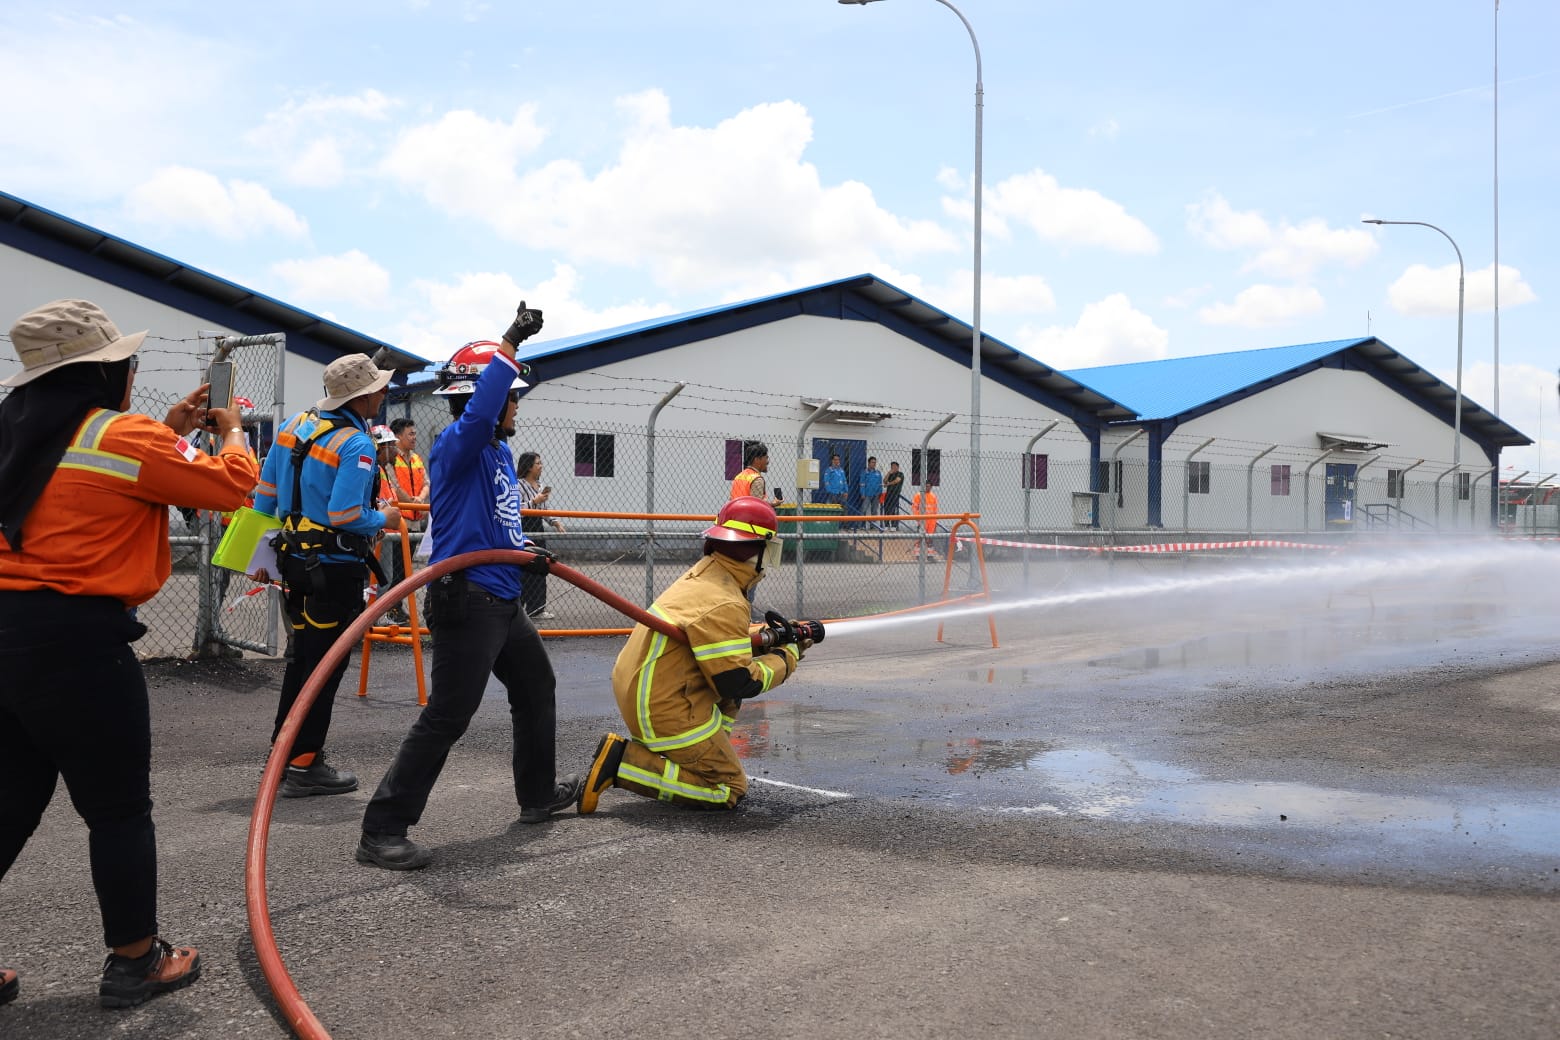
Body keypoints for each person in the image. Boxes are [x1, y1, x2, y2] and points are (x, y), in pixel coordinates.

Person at [0, 299, 256, 1008]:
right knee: (117, 810)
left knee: (11, 801)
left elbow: (82, 486)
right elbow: (232, 486)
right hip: (77, 646)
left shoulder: (13, 434)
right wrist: (231, 432)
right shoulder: (123, 437)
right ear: (105, 372)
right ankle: (136, 962)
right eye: (126, 363)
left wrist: (169, 432)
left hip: (6, 636)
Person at [357, 304, 584, 871]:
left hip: (501, 598)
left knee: (536, 687)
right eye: (512, 398)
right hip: (467, 599)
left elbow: (497, 522)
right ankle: (382, 828)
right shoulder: (459, 443)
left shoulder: (498, 453)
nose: (515, 409)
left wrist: (523, 553)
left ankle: (537, 797)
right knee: (448, 716)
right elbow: (482, 408)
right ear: (483, 399)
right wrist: (509, 342)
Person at [577, 495, 810, 815]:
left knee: (727, 689)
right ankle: (622, 764)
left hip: (644, 687)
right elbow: (738, 682)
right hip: (661, 706)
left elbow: (718, 643)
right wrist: (788, 655)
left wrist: (766, 638)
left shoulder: (708, 575)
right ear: (757, 548)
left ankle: (698, 754)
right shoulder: (726, 600)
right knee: (729, 788)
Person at [253, 354, 401, 799]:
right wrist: (385, 517)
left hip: (292, 563)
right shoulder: (356, 445)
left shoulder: (296, 426)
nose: (384, 394)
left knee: (303, 660)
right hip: (333, 571)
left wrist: (258, 555)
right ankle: (303, 764)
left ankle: (284, 753)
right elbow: (346, 513)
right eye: (379, 388)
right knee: (324, 667)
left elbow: (265, 496)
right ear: (364, 396)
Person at [516, 450, 565, 621]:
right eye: (538, 463)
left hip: (538, 526)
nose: (541, 466)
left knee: (541, 565)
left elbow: (544, 511)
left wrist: (554, 522)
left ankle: (537, 608)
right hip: (524, 527)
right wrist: (533, 502)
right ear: (529, 467)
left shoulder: (539, 485)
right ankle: (519, 607)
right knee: (523, 567)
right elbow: (516, 509)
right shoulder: (518, 485)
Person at [372, 425, 412, 623]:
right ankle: (372, 616)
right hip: (380, 530)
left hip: (385, 529)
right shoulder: (375, 470)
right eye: (389, 445)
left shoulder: (382, 470)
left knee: (384, 575)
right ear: (381, 447)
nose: (394, 450)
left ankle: (375, 615)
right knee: (380, 575)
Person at [912, 482, 940, 558]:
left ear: (931, 487)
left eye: (929, 486)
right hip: (922, 521)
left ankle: (930, 555)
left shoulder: (933, 496)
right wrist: (918, 519)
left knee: (930, 539)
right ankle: (918, 555)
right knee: (920, 538)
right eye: (926, 486)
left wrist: (935, 521)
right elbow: (914, 508)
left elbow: (935, 509)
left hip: (931, 521)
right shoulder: (918, 496)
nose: (927, 488)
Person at [860, 456, 884, 528]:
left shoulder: (878, 473)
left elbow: (880, 484)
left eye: (875, 462)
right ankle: (861, 525)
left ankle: (873, 526)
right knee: (863, 509)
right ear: (869, 463)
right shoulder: (864, 472)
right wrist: (862, 493)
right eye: (872, 462)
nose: (874, 464)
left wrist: (880, 492)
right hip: (867, 494)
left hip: (876, 494)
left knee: (874, 511)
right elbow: (862, 484)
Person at [883, 460, 905, 530]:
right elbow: (884, 481)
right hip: (888, 494)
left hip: (895, 495)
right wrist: (889, 473)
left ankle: (893, 526)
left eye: (895, 466)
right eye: (892, 467)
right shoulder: (890, 474)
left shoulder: (900, 474)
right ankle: (886, 525)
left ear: (898, 467)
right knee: (886, 509)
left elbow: (897, 481)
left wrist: (888, 484)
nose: (893, 468)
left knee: (893, 510)